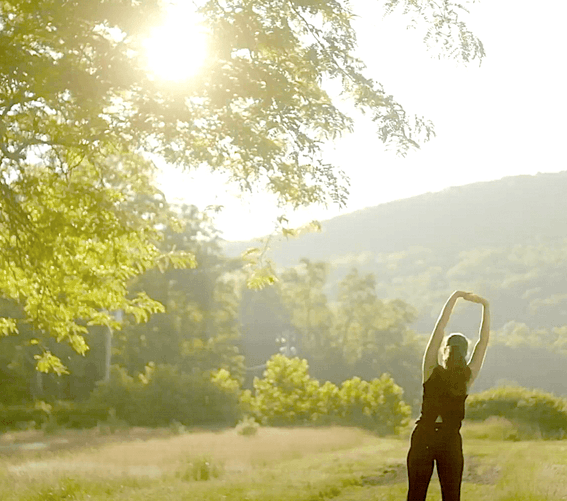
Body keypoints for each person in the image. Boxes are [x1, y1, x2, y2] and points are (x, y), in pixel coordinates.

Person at [406, 290, 490, 501]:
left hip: (423, 435)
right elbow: (483, 342)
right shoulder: (467, 377)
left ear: (445, 350)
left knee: (416, 495)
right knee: (452, 496)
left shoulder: (430, 369)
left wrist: (455, 297)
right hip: (450, 439)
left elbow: (439, 329)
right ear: (465, 353)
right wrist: (485, 306)